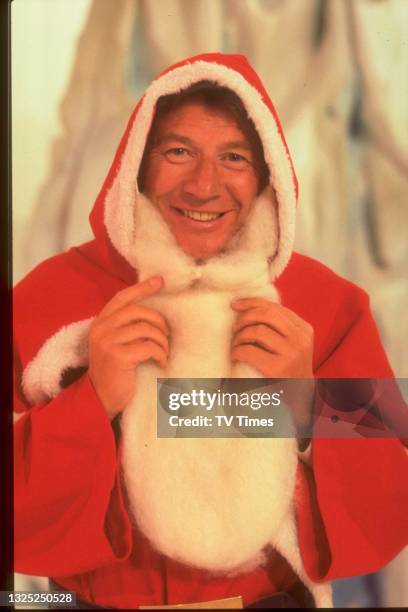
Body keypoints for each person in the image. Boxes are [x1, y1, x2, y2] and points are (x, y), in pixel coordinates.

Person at [13, 53, 408, 609]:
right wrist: (92, 402)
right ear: (136, 164)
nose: (204, 185)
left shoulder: (330, 308)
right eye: (178, 151)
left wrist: (307, 407)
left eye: (234, 157)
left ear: (268, 173)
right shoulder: (50, 299)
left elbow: (391, 507)